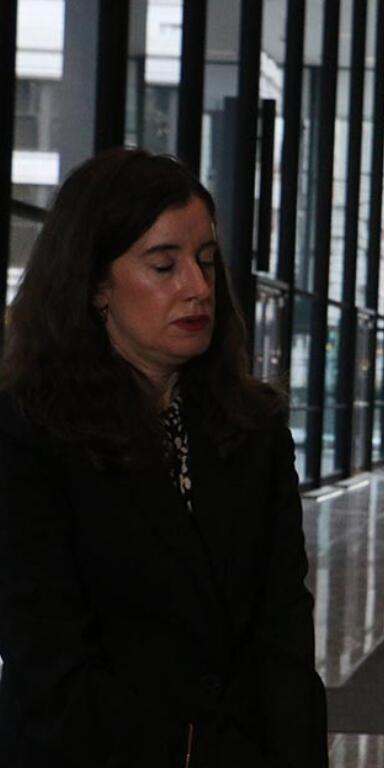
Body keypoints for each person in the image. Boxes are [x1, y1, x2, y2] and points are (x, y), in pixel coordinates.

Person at [0, 148, 328, 766]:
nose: (198, 288)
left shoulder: (254, 428)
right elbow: (45, 658)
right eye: (163, 265)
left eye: (205, 261)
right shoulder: (28, 435)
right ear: (96, 283)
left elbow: (283, 634)